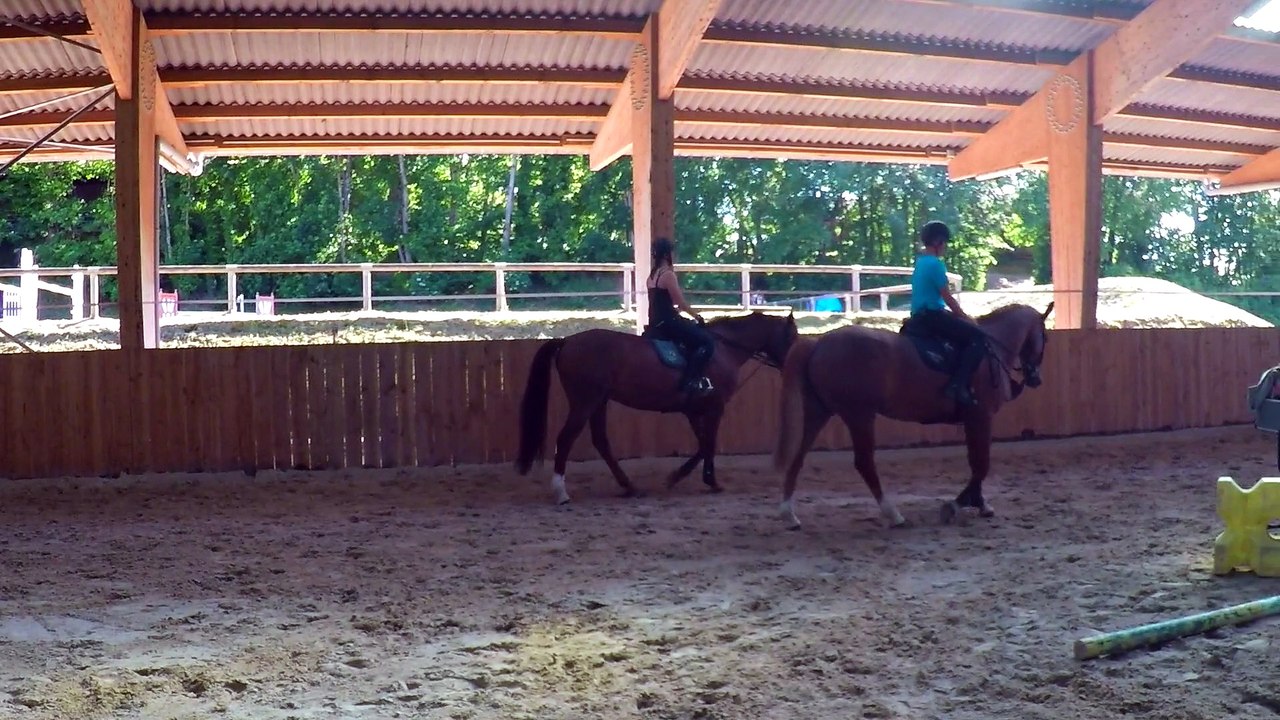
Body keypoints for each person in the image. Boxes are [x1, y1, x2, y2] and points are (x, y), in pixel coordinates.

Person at [909, 221, 987, 407]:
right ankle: (957, 385)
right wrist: (965, 317)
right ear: (937, 242)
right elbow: (948, 298)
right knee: (978, 338)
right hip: (932, 317)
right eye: (945, 243)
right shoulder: (936, 265)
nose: (945, 247)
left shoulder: (921, 263)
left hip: (919, 315)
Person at [646, 237, 715, 395]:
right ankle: (691, 381)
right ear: (666, 255)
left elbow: (659, 303)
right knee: (707, 342)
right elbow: (680, 303)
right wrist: (697, 316)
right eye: (672, 252)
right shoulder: (668, 275)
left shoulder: (651, 276)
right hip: (669, 322)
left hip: (655, 321)